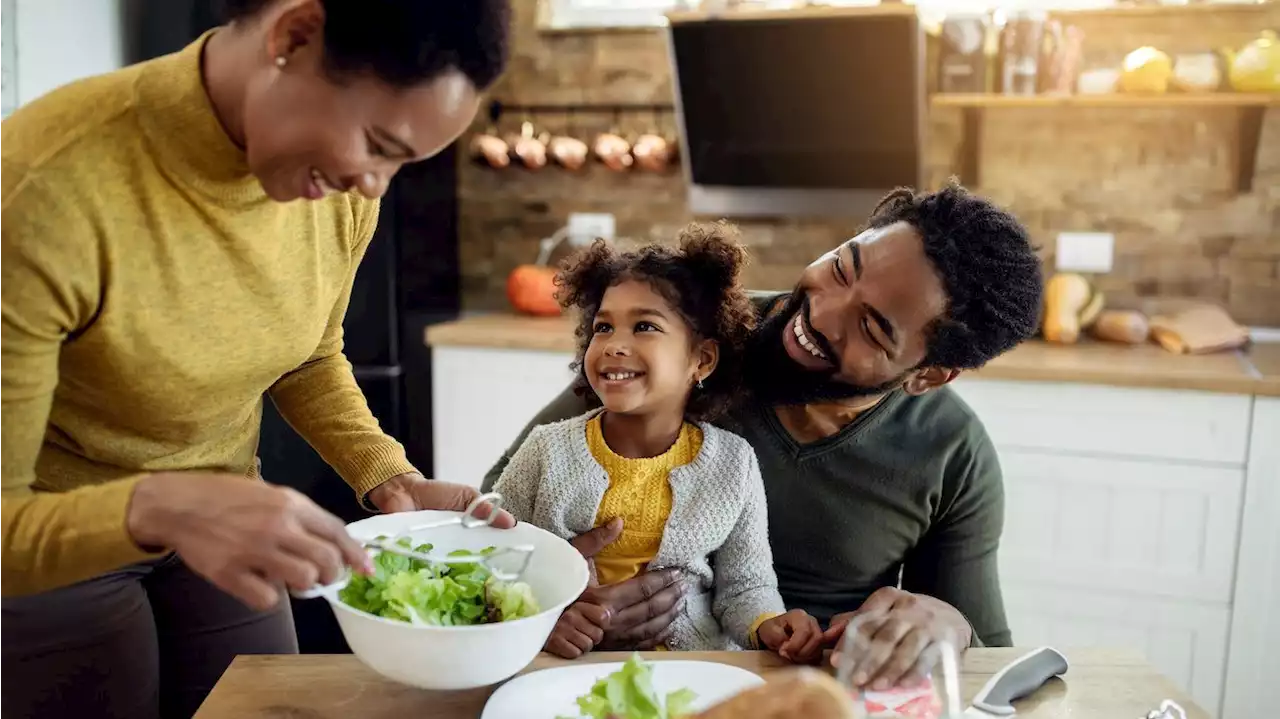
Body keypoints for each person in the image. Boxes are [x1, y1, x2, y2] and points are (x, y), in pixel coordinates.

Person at [0, 1, 512, 717]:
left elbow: (306, 353)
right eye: (376, 142)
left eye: (403, 162)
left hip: (228, 509)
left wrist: (388, 475)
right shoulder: (40, 188)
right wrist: (161, 505)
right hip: (53, 540)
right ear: (294, 38)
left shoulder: (338, 190)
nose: (375, 186)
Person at [484, 182, 1045, 691]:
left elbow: (990, 660)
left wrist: (945, 623)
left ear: (927, 375)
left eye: (871, 328)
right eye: (843, 268)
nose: (821, 314)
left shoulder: (952, 453)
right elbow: (499, 510)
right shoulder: (689, 337)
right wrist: (551, 596)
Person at [493, 225, 824, 663]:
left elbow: (747, 585)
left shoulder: (733, 463)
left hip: (694, 671)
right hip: (567, 666)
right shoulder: (545, 451)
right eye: (603, 327)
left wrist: (768, 625)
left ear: (701, 359)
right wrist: (542, 615)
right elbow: (494, 560)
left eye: (644, 326)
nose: (614, 345)